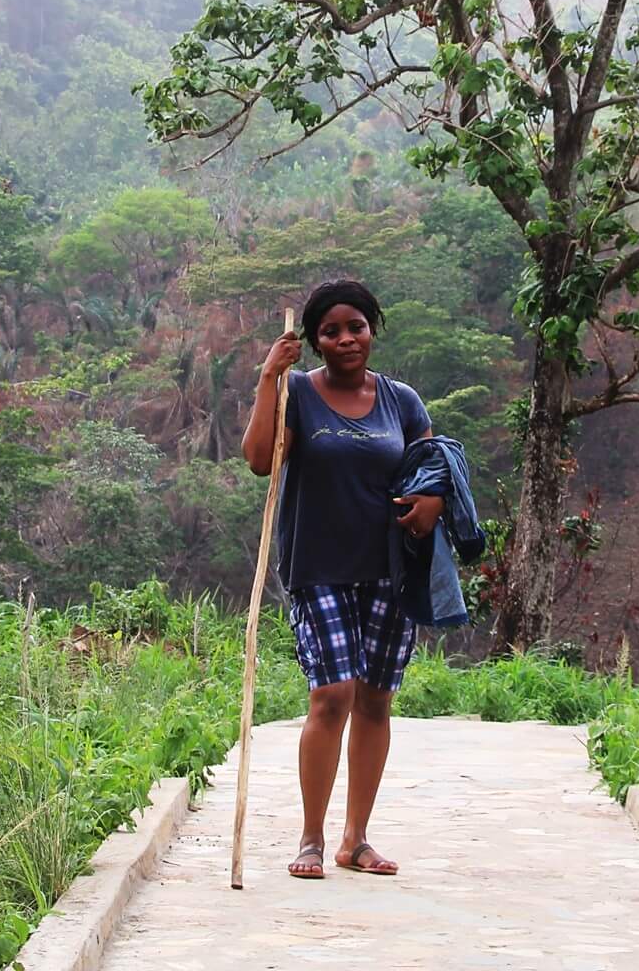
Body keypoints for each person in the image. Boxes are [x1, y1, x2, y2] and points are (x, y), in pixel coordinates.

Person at [242, 278, 439, 881]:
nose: (346, 338)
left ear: (371, 329)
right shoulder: (298, 393)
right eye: (331, 330)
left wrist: (430, 502)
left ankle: (356, 840)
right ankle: (310, 837)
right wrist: (268, 378)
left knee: (375, 700)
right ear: (314, 340)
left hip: (389, 567)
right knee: (332, 696)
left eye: (355, 326)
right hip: (318, 566)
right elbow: (259, 460)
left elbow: (431, 466)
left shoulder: (401, 401)